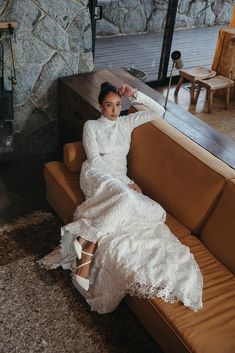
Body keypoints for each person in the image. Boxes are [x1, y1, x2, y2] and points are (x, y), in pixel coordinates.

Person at [39, 82, 203, 314]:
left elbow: (160, 112)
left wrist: (134, 95)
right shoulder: (91, 126)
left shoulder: (127, 122)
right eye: (109, 105)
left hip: (120, 179)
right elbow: (95, 160)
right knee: (126, 196)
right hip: (96, 173)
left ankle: (84, 243)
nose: (114, 111)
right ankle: (87, 246)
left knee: (147, 208)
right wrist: (125, 183)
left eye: (118, 105)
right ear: (100, 105)